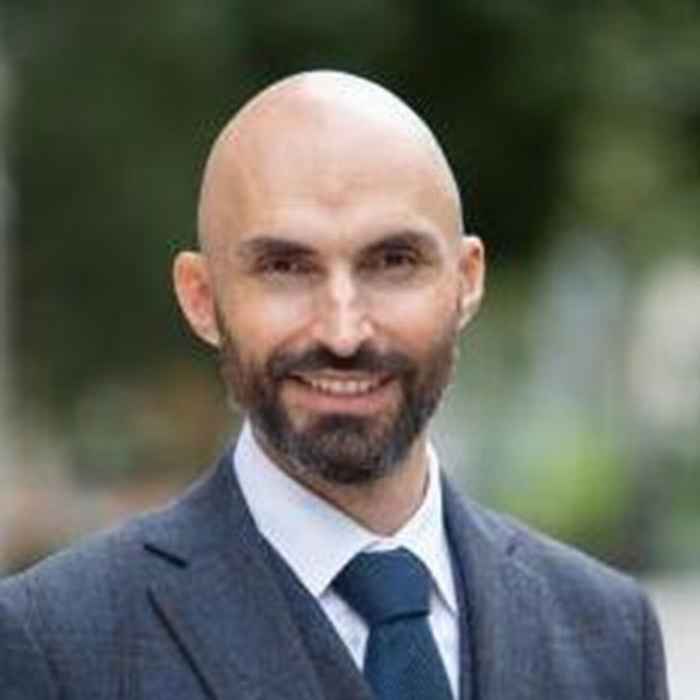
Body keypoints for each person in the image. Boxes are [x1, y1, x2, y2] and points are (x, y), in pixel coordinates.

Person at [0, 71, 668, 699]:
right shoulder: (57, 644)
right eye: (285, 267)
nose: (344, 332)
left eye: (393, 261)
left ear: (466, 281)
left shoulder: (610, 633)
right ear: (201, 298)